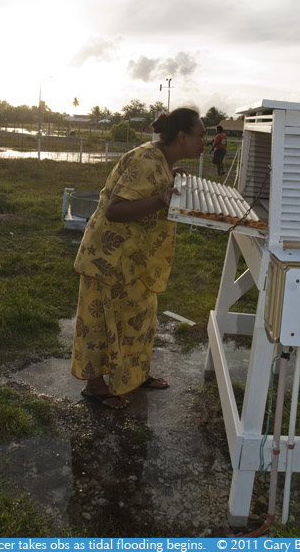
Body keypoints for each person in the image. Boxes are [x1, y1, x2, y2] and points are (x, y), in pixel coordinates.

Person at [71, 108, 206, 409]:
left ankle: (133, 374)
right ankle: (95, 386)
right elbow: (114, 210)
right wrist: (160, 199)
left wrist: (172, 177)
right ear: (181, 136)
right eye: (201, 135)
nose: (204, 142)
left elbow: (154, 184)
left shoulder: (162, 159)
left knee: (139, 320)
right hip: (110, 257)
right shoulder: (144, 160)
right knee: (101, 322)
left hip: (135, 260)